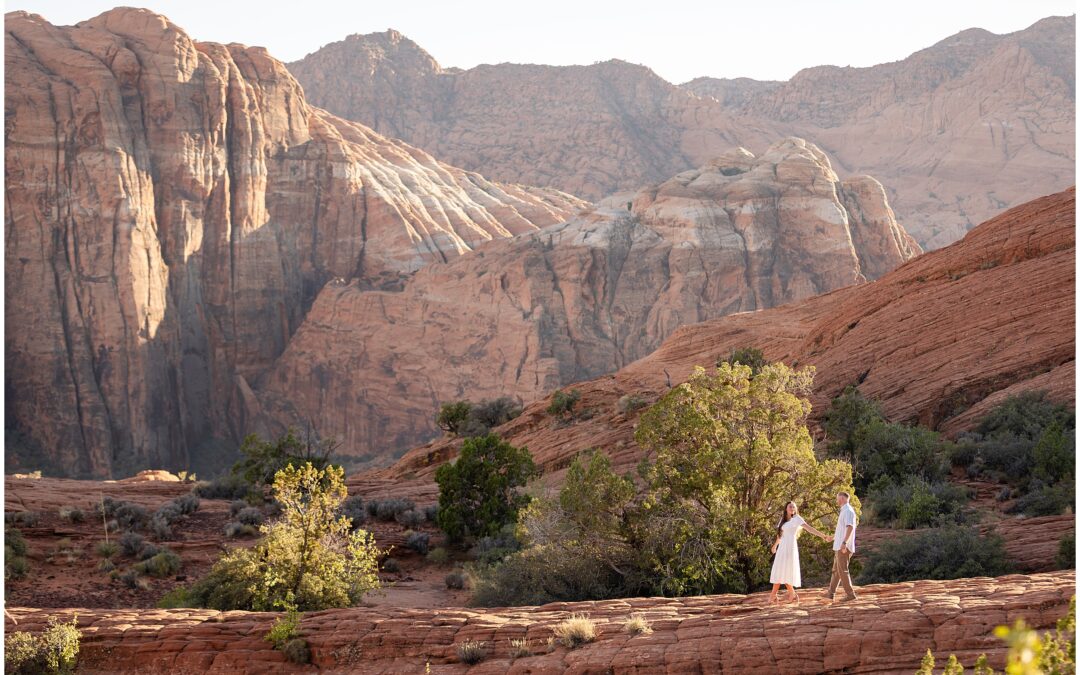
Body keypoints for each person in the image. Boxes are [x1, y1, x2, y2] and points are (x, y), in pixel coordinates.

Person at [767, 501, 831, 605]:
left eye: (794, 507)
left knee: (785, 570)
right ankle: (790, 594)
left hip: (790, 547)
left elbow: (810, 529)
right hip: (782, 547)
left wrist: (823, 536)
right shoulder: (783, 520)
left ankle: (773, 595)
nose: (792, 508)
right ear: (786, 508)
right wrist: (775, 546)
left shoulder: (797, 518)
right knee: (779, 569)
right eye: (790, 506)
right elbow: (780, 535)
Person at [826, 491, 859, 602]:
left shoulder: (848, 511)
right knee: (836, 571)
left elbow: (850, 527)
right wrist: (833, 538)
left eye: (838, 498)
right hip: (839, 546)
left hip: (843, 547)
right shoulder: (844, 511)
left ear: (842, 499)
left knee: (843, 571)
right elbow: (842, 530)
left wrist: (844, 543)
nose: (837, 500)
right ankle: (830, 594)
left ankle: (850, 595)